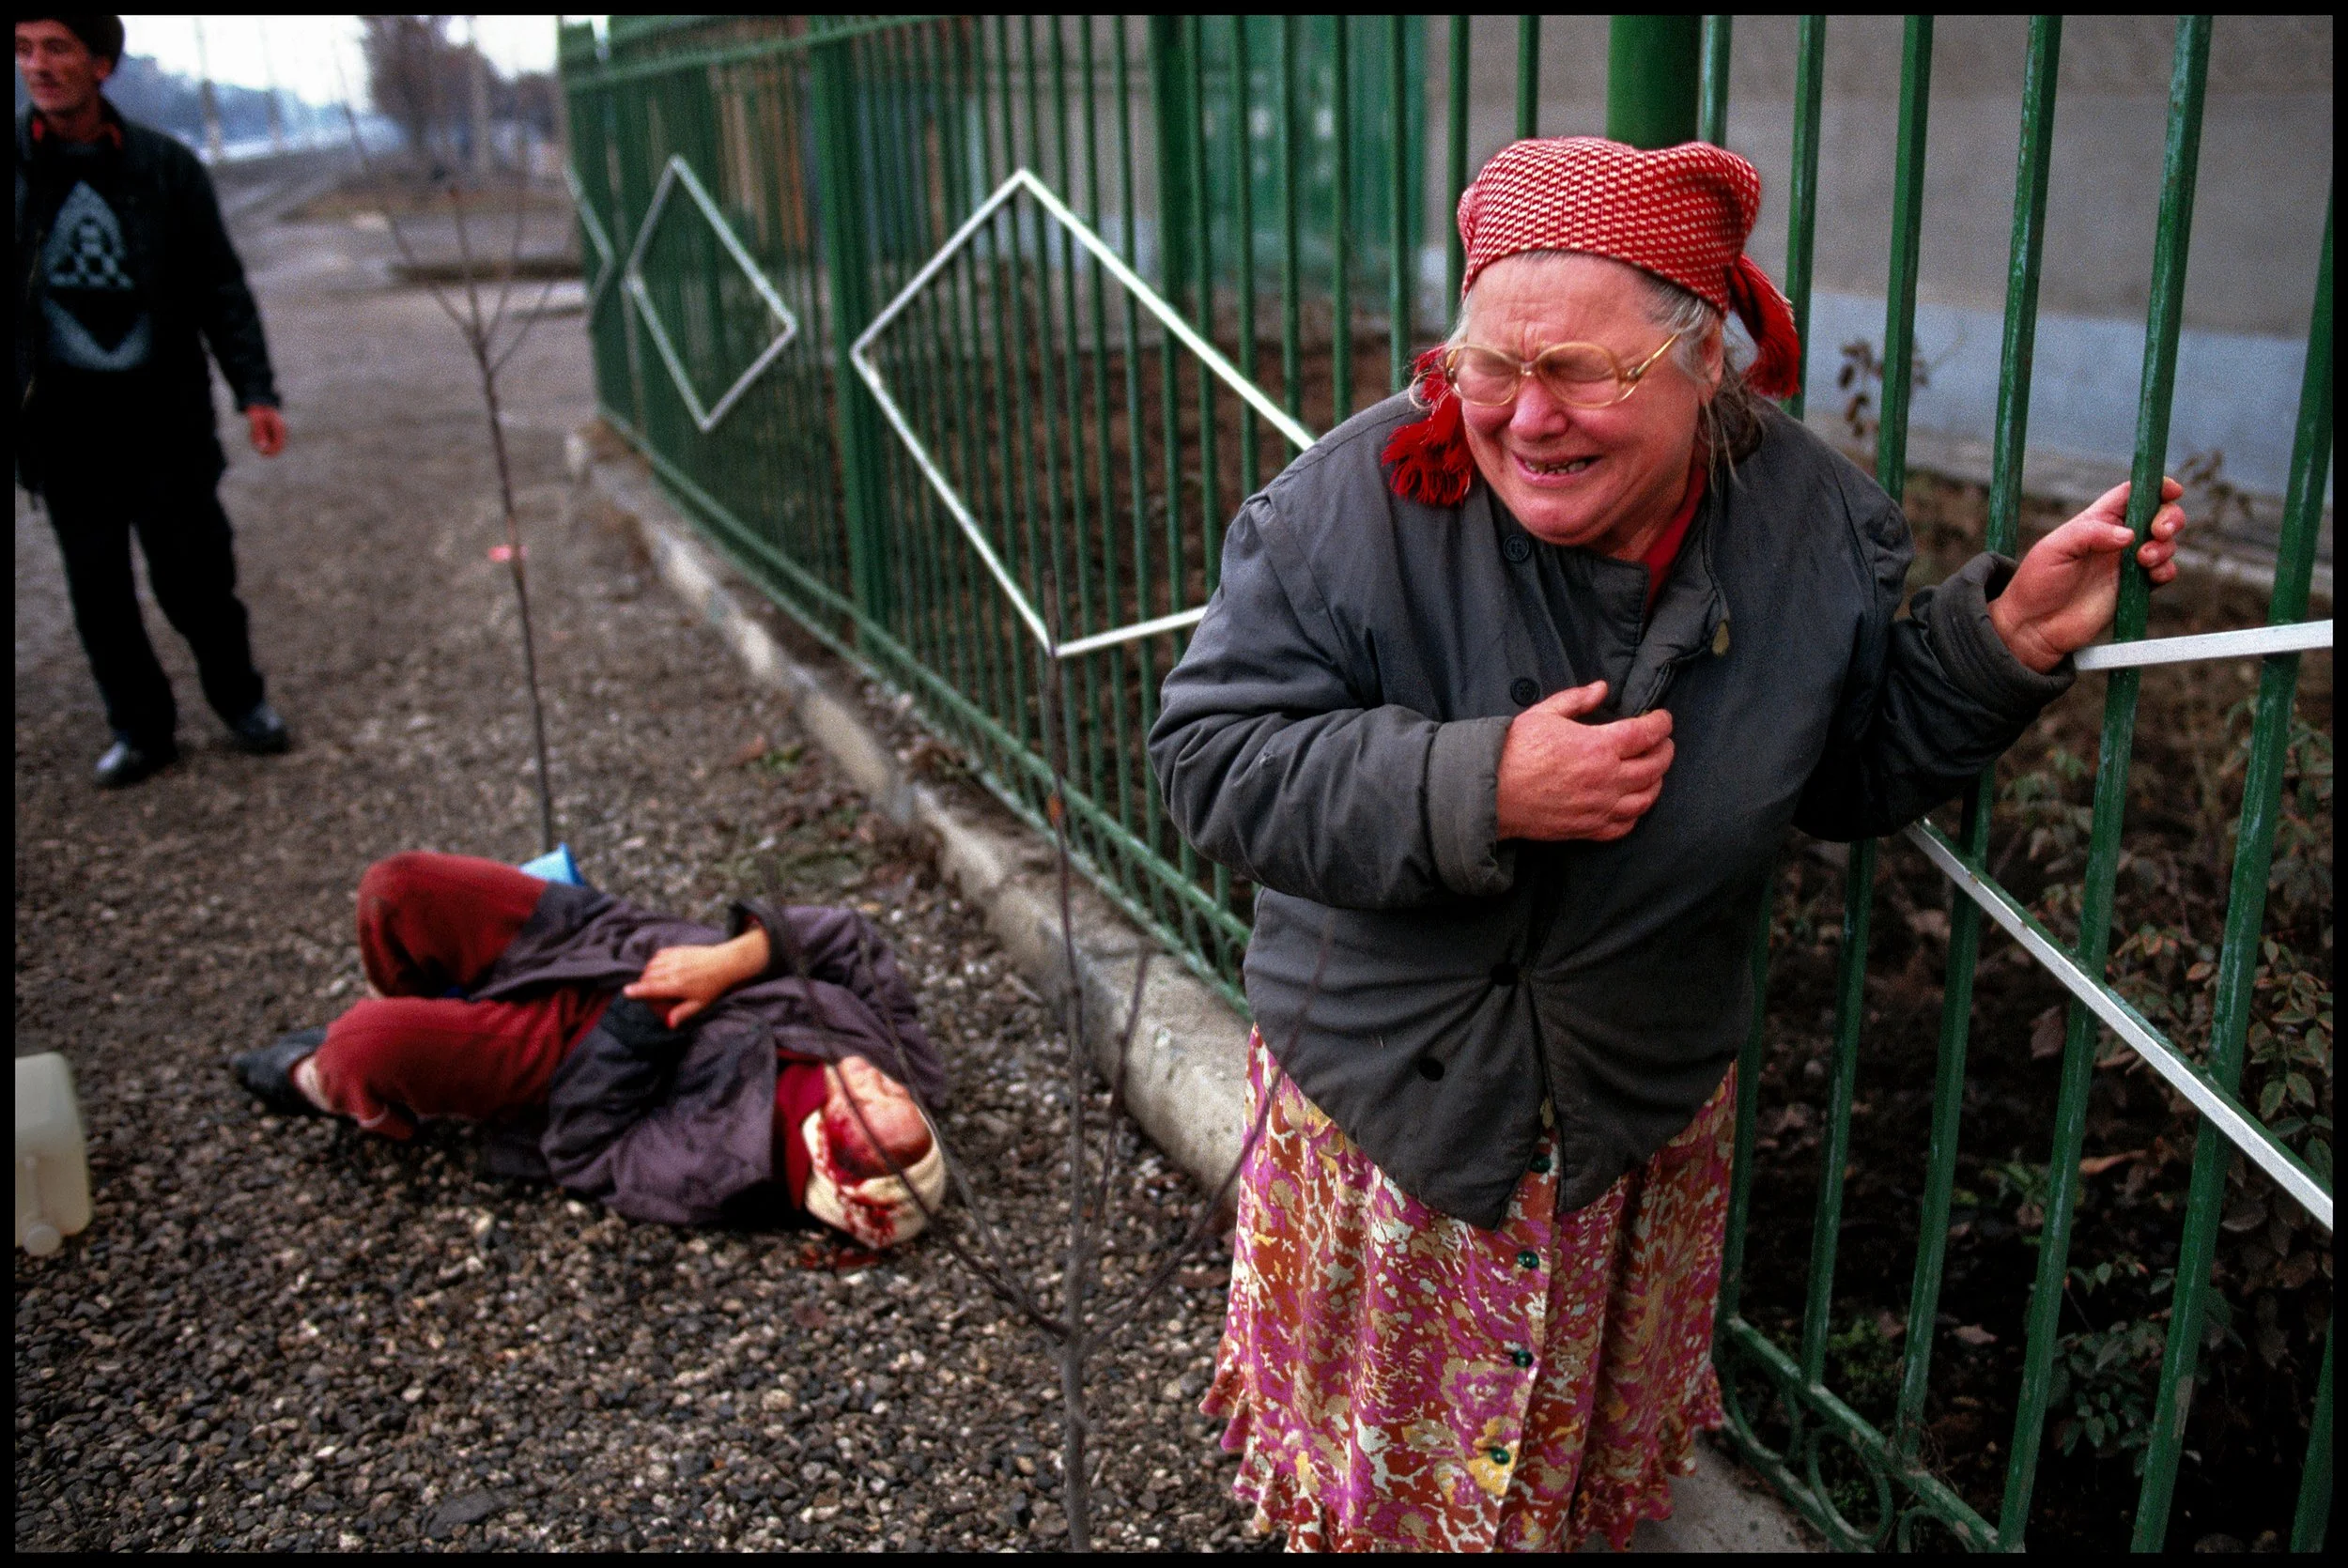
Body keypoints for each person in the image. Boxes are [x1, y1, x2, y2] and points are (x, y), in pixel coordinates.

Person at [1148, 136, 2189, 1550]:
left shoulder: (1813, 529)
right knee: (1379, 1496)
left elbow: (1841, 765)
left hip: (1630, 1115)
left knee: (1561, 1488)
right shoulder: (1353, 506)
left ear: (1710, 363)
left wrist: (2002, 643)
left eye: (1583, 371)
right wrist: (1478, 784)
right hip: (1398, 1115)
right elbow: (1207, 762)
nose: (1524, 418)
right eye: (1489, 368)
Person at [232, 853, 950, 1250]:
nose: (876, 1082)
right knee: (398, 889)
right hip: (612, 940)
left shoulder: (716, 1172)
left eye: (865, 1108)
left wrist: (632, 1034)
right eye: (899, 1099)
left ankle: (308, 1080)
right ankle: (427, 1015)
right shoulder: (904, 1062)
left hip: (556, 1055)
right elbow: (852, 941)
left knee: (359, 1049)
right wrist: (737, 958)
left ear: (824, 1146)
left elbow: (585, 1150)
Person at [15, 13, 292, 789]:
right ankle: (140, 730)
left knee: (197, 576)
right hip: (64, 431)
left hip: (163, 421)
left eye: (57, 49)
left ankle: (241, 702)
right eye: (26, 49)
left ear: (100, 64)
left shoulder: (165, 169)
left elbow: (221, 288)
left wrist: (255, 390)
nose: (39, 66)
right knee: (97, 590)